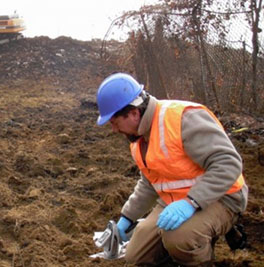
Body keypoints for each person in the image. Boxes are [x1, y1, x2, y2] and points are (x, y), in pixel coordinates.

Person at [96, 73, 248, 266]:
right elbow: (150, 181)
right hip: (175, 200)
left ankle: (203, 253)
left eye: (115, 123)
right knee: (136, 256)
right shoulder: (138, 137)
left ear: (133, 113)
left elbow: (229, 163)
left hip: (222, 196)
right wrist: (127, 217)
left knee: (179, 238)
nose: (114, 130)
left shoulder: (183, 119)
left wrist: (191, 203)